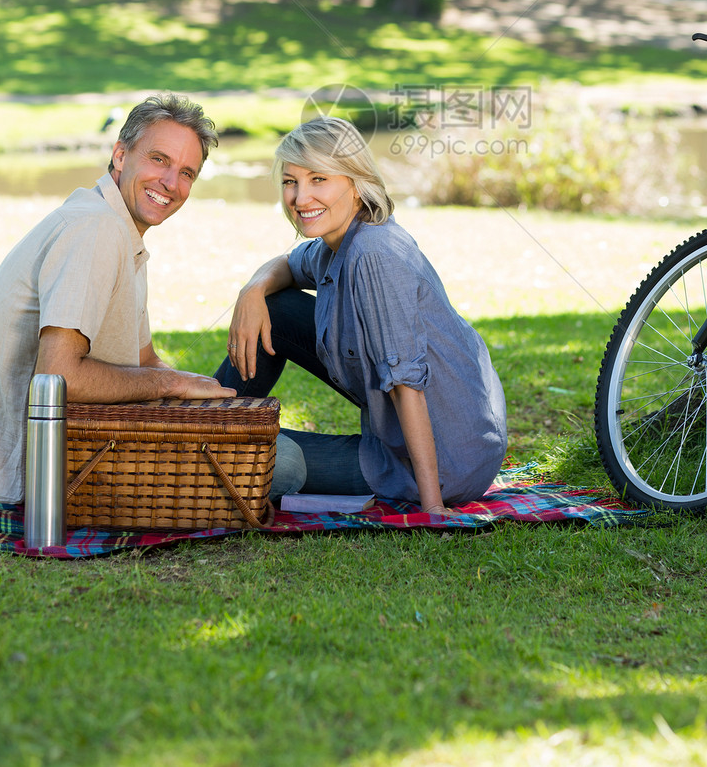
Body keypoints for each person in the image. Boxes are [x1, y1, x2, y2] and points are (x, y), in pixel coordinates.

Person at [216, 115, 507, 513]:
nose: (301, 199)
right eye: (291, 182)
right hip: (437, 438)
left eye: (319, 179)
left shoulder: (375, 253)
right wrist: (251, 291)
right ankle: (202, 424)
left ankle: (198, 435)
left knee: (269, 461)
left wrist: (433, 507)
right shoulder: (340, 239)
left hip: (445, 461)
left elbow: (407, 382)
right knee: (274, 304)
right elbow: (287, 265)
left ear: (356, 183)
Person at [0, 94, 235, 504]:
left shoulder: (117, 227)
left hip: (85, 446)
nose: (171, 183)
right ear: (120, 155)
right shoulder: (96, 231)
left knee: (264, 442)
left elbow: (145, 360)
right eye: (159, 159)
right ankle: (382, 461)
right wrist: (168, 383)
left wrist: (205, 398)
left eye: (186, 172)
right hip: (36, 471)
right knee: (289, 461)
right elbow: (57, 377)